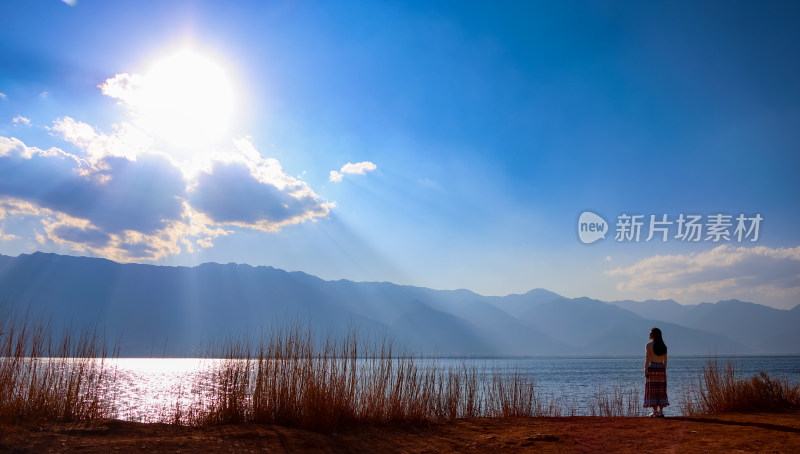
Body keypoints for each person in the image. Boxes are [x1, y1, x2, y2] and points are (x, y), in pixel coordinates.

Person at [644, 327, 669, 417]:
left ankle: (655, 411)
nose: (649, 334)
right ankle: (661, 411)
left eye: (650, 333)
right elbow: (665, 361)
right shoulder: (664, 346)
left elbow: (647, 359)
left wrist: (645, 370)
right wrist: (664, 370)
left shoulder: (648, 345)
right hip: (661, 369)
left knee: (653, 390)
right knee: (661, 390)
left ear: (654, 335)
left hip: (653, 369)